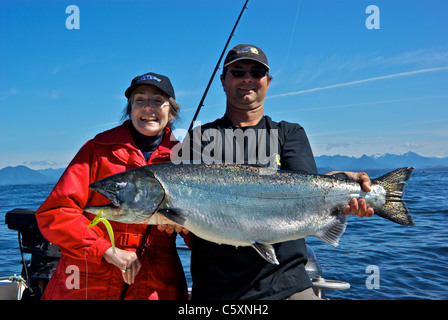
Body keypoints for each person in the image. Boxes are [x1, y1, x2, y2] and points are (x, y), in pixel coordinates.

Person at [179, 44, 374, 300]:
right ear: (223, 81)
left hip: (286, 283)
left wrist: (340, 184)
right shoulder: (198, 139)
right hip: (215, 288)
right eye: (238, 72)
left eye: (256, 72)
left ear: (267, 82)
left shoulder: (289, 133)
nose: (247, 78)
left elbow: (305, 189)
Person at [35, 72, 191, 300]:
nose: (148, 108)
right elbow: (56, 213)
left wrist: (186, 227)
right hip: (87, 281)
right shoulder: (96, 149)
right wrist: (105, 250)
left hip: (154, 283)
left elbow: (204, 233)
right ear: (130, 109)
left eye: (158, 101)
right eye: (139, 100)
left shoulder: (184, 159)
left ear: (172, 111)